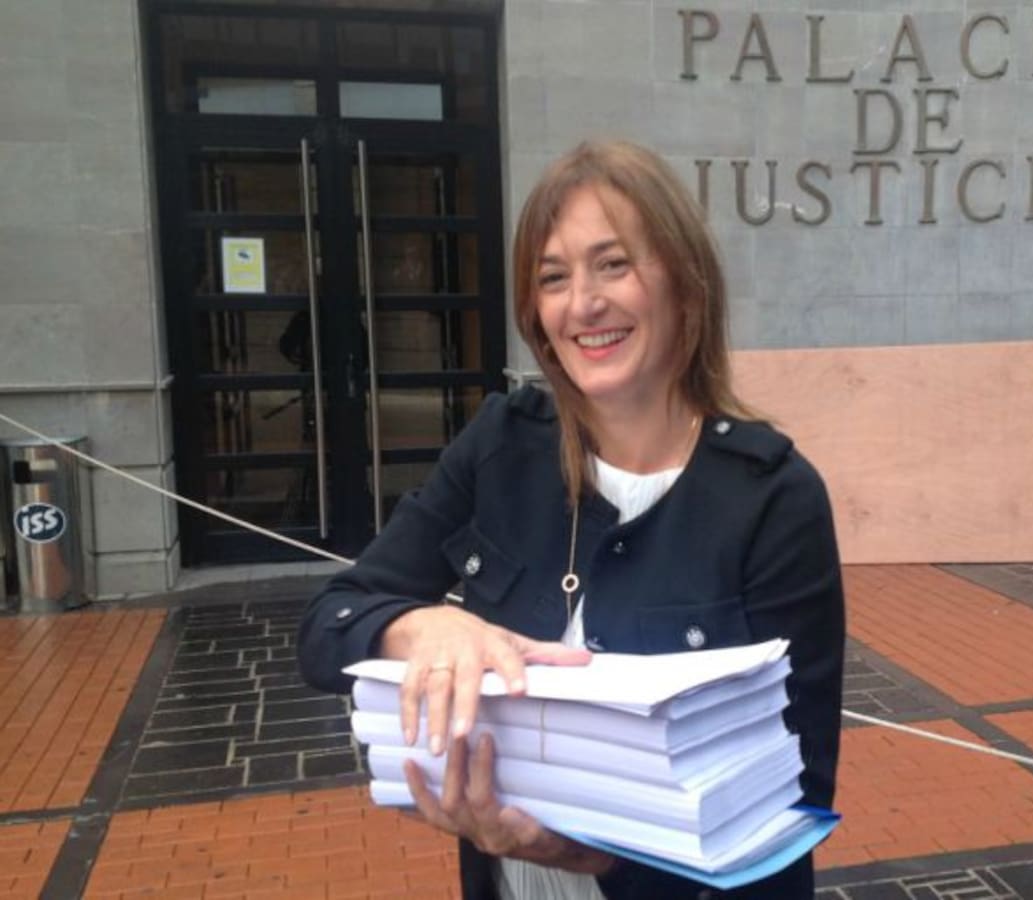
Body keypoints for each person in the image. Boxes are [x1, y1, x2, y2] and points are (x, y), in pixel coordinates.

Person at [297, 139, 845, 899]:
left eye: (612, 265)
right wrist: (420, 627)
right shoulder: (501, 445)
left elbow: (793, 803)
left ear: (685, 284)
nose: (582, 304)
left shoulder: (773, 498)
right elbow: (328, 624)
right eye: (553, 277)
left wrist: (595, 857)